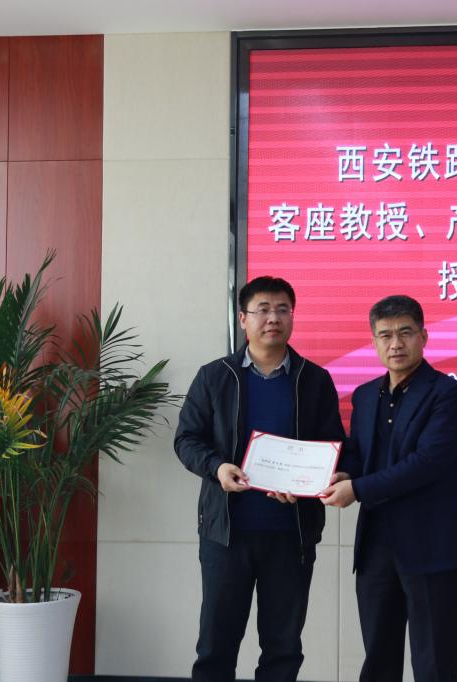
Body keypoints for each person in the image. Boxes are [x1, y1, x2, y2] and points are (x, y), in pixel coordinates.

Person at [174, 276, 345, 682]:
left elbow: (333, 444)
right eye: (263, 310)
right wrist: (217, 468)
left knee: (283, 648)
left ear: (292, 317)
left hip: (291, 534)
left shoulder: (314, 379)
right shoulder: (214, 377)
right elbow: (186, 440)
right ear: (243, 319)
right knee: (215, 645)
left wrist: (311, 482)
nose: (273, 318)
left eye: (283, 309)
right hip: (226, 534)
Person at [322, 294, 457, 682]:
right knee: (378, 661)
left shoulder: (448, 395)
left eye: (405, 333)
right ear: (374, 341)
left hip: (432, 547)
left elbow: (426, 464)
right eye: (385, 335)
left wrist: (357, 489)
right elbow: (359, 455)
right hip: (376, 548)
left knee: (435, 664)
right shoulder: (364, 396)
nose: (395, 344)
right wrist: (338, 475)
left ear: (424, 336)